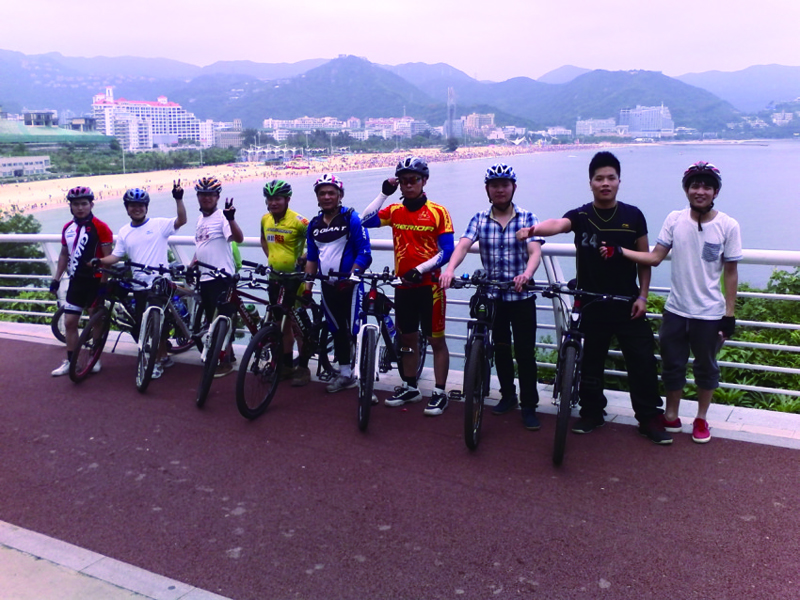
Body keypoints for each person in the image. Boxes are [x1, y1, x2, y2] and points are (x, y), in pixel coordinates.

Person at [517, 151, 671, 444]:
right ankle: (591, 413)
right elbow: (558, 224)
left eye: (611, 178)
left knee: (642, 361)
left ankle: (649, 418)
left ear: (619, 181)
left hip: (627, 303)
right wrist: (533, 230)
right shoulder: (581, 215)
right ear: (590, 183)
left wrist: (643, 296)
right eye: (599, 178)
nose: (605, 183)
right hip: (590, 301)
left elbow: (645, 260)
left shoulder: (633, 216)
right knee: (590, 362)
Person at [600, 161, 741, 443]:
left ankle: (701, 419)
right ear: (686, 189)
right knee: (672, 366)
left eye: (707, 187)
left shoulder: (728, 225)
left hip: (709, 314)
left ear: (715, 192)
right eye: (695, 186)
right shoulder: (675, 219)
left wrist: (729, 314)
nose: (700, 191)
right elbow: (655, 257)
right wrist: (620, 251)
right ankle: (671, 415)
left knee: (706, 368)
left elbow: (731, 272)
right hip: (675, 310)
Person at [440, 164, 544, 429]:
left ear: (513, 188)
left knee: (525, 353)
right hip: (493, 297)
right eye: (494, 185)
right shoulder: (479, 219)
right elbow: (463, 245)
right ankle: (508, 395)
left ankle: (529, 405)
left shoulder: (527, 217)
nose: (500, 190)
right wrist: (450, 270)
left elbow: (535, 252)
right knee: (500, 348)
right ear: (487, 190)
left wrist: (527, 274)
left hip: (521, 297)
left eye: (505, 185)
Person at [361, 156, 454, 416]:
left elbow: (447, 250)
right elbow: (363, 221)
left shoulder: (438, 212)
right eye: (403, 181)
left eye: (413, 180)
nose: (408, 185)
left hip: (430, 287)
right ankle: (411, 387)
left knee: (436, 340)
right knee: (407, 338)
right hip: (403, 287)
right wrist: (383, 193)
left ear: (424, 181)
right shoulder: (394, 211)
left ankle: (440, 392)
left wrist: (420, 270)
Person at [95, 184, 187, 380]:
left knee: (156, 324)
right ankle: (162, 356)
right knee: (142, 324)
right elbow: (116, 256)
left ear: (146, 207)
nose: (137, 209)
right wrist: (99, 261)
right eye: (132, 205)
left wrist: (178, 199)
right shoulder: (124, 231)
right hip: (138, 285)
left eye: (140, 205)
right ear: (127, 208)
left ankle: (157, 361)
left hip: (160, 283)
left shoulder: (159, 225)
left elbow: (181, 220)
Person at [304, 174, 372, 392]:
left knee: (355, 329)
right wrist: (307, 289)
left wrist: (352, 277)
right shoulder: (313, 225)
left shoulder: (352, 218)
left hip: (351, 286)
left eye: (331, 193)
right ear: (317, 197)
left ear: (340, 195)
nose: (326, 197)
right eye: (322, 193)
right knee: (337, 330)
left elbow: (364, 253)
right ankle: (345, 374)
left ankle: (364, 377)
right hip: (327, 287)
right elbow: (312, 259)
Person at [49, 186, 113, 376]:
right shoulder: (67, 228)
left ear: (91, 205)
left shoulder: (101, 227)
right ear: (70, 206)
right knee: (69, 322)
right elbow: (64, 254)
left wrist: (104, 283)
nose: (80, 208)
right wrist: (56, 279)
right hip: (76, 281)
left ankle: (94, 357)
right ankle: (72, 361)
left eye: (84, 204)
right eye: (76, 204)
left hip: (96, 281)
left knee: (95, 321)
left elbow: (108, 258)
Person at [259, 179, 311, 386]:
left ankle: (304, 368)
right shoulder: (265, 219)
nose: (273, 202)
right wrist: (272, 259)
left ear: (287, 199)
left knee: (298, 326)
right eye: (270, 199)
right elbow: (263, 240)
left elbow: (315, 246)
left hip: (295, 280)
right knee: (282, 325)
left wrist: (303, 259)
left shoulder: (300, 221)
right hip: (275, 278)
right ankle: (287, 366)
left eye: (278, 198)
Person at [191, 176, 244, 378]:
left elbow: (238, 238)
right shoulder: (200, 220)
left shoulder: (222, 217)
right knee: (212, 322)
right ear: (198, 196)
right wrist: (191, 264)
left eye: (211, 194)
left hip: (221, 278)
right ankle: (227, 356)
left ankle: (225, 361)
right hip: (205, 278)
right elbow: (201, 246)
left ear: (217, 197)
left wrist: (231, 219)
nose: (206, 198)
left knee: (223, 321)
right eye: (203, 194)